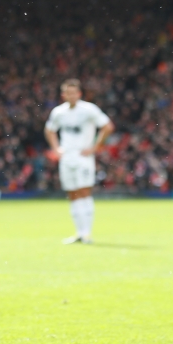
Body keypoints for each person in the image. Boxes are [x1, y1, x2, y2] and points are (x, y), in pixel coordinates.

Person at [44, 79, 115, 245]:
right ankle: (79, 233)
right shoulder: (58, 112)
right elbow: (49, 130)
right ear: (63, 95)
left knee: (84, 192)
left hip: (83, 156)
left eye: (74, 92)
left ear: (79, 94)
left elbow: (108, 127)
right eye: (68, 93)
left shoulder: (89, 109)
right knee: (72, 194)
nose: (71, 95)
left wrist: (95, 147)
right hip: (66, 156)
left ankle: (87, 233)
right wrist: (56, 149)